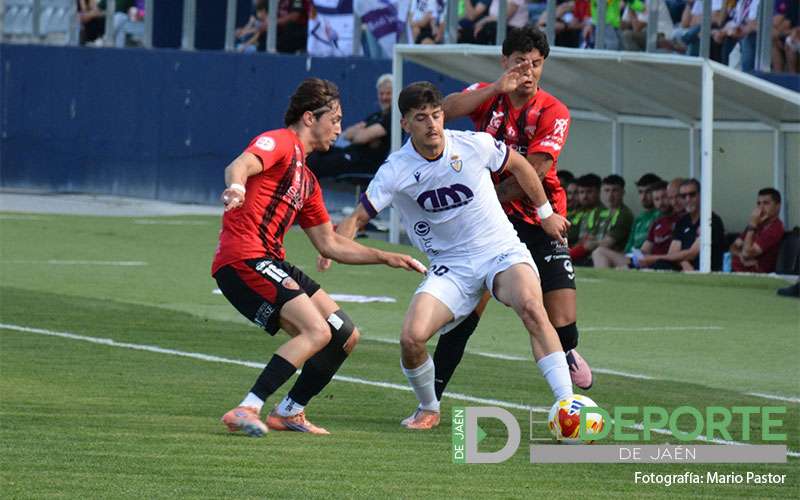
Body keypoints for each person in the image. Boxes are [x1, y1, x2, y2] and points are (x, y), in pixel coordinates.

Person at [322, 81, 575, 430]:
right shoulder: (396, 169)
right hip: (450, 267)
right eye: (421, 118)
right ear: (405, 123)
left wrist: (545, 214)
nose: (432, 124)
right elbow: (357, 218)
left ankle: (567, 403)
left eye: (437, 115)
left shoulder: (474, 145)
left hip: (500, 251)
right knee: (411, 339)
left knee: (532, 306)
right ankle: (428, 408)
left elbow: (521, 165)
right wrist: (333, 249)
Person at [213, 78, 424, 437]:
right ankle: (248, 407)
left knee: (345, 333)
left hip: (270, 261)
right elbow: (241, 164)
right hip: (244, 259)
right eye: (336, 119)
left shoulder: (307, 180)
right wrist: (236, 187)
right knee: (316, 330)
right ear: (310, 117)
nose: (340, 128)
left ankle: (290, 411)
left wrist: (386, 257)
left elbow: (330, 244)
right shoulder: (281, 142)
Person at [439, 26, 593, 396]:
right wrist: (495, 88)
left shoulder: (554, 110)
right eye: (521, 62)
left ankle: (567, 349)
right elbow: (441, 113)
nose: (528, 71)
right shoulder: (489, 95)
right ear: (504, 61)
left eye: (536, 64)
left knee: (561, 319)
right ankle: (431, 399)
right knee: (467, 312)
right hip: (490, 224)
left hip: (542, 216)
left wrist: (488, 197)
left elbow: (535, 169)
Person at [307, 74, 393, 179]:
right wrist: (364, 134)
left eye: (388, 93)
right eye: (381, 93)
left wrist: (362, 132)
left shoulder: (392, 118)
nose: (384, 97)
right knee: (314, 150)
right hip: (350, 153)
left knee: (315, 162)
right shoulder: (376, 116)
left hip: (363, 162)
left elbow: (360, 138)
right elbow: (347, 135)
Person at [639, 178, 725, 271]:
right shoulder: (682, 221)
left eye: (692, 195)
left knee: (660, 264)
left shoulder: (710, 220)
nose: (688, 199)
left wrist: (653, 258)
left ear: (701, 195)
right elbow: (672, 253)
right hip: (684, 270)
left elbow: (692, 253)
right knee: (661, 264)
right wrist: (684, 263)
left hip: (706, 271)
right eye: (683, 196)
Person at [592, 173, 660, 268]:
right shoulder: (639, 218)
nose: (643, 197)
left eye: (647, 192)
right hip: (632, 258)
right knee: (599, 253)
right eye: (640, 192)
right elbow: (629, 247)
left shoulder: (659, 216)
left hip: (649, 259)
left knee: (599, 252)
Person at [730, 188, 784, 273]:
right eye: (759, 203)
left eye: (766, 203)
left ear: (777, 206)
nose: (761, 208)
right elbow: (733, 247)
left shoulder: (775, 228)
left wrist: (752, 226)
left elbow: (747, 253)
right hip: (739, 271)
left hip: (758, 274)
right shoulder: (757, 224)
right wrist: (741, 256)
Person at [585, 175, 634, 266]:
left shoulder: (624, 214)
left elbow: (606, 244)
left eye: (614, 190)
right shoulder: (597, 212)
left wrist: (592, 243)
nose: (610, 195)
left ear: (622, 192)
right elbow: (587, 241)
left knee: (598, 252)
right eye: (607, 190)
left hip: (613, 258)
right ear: (601, 192)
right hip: (590, 256)